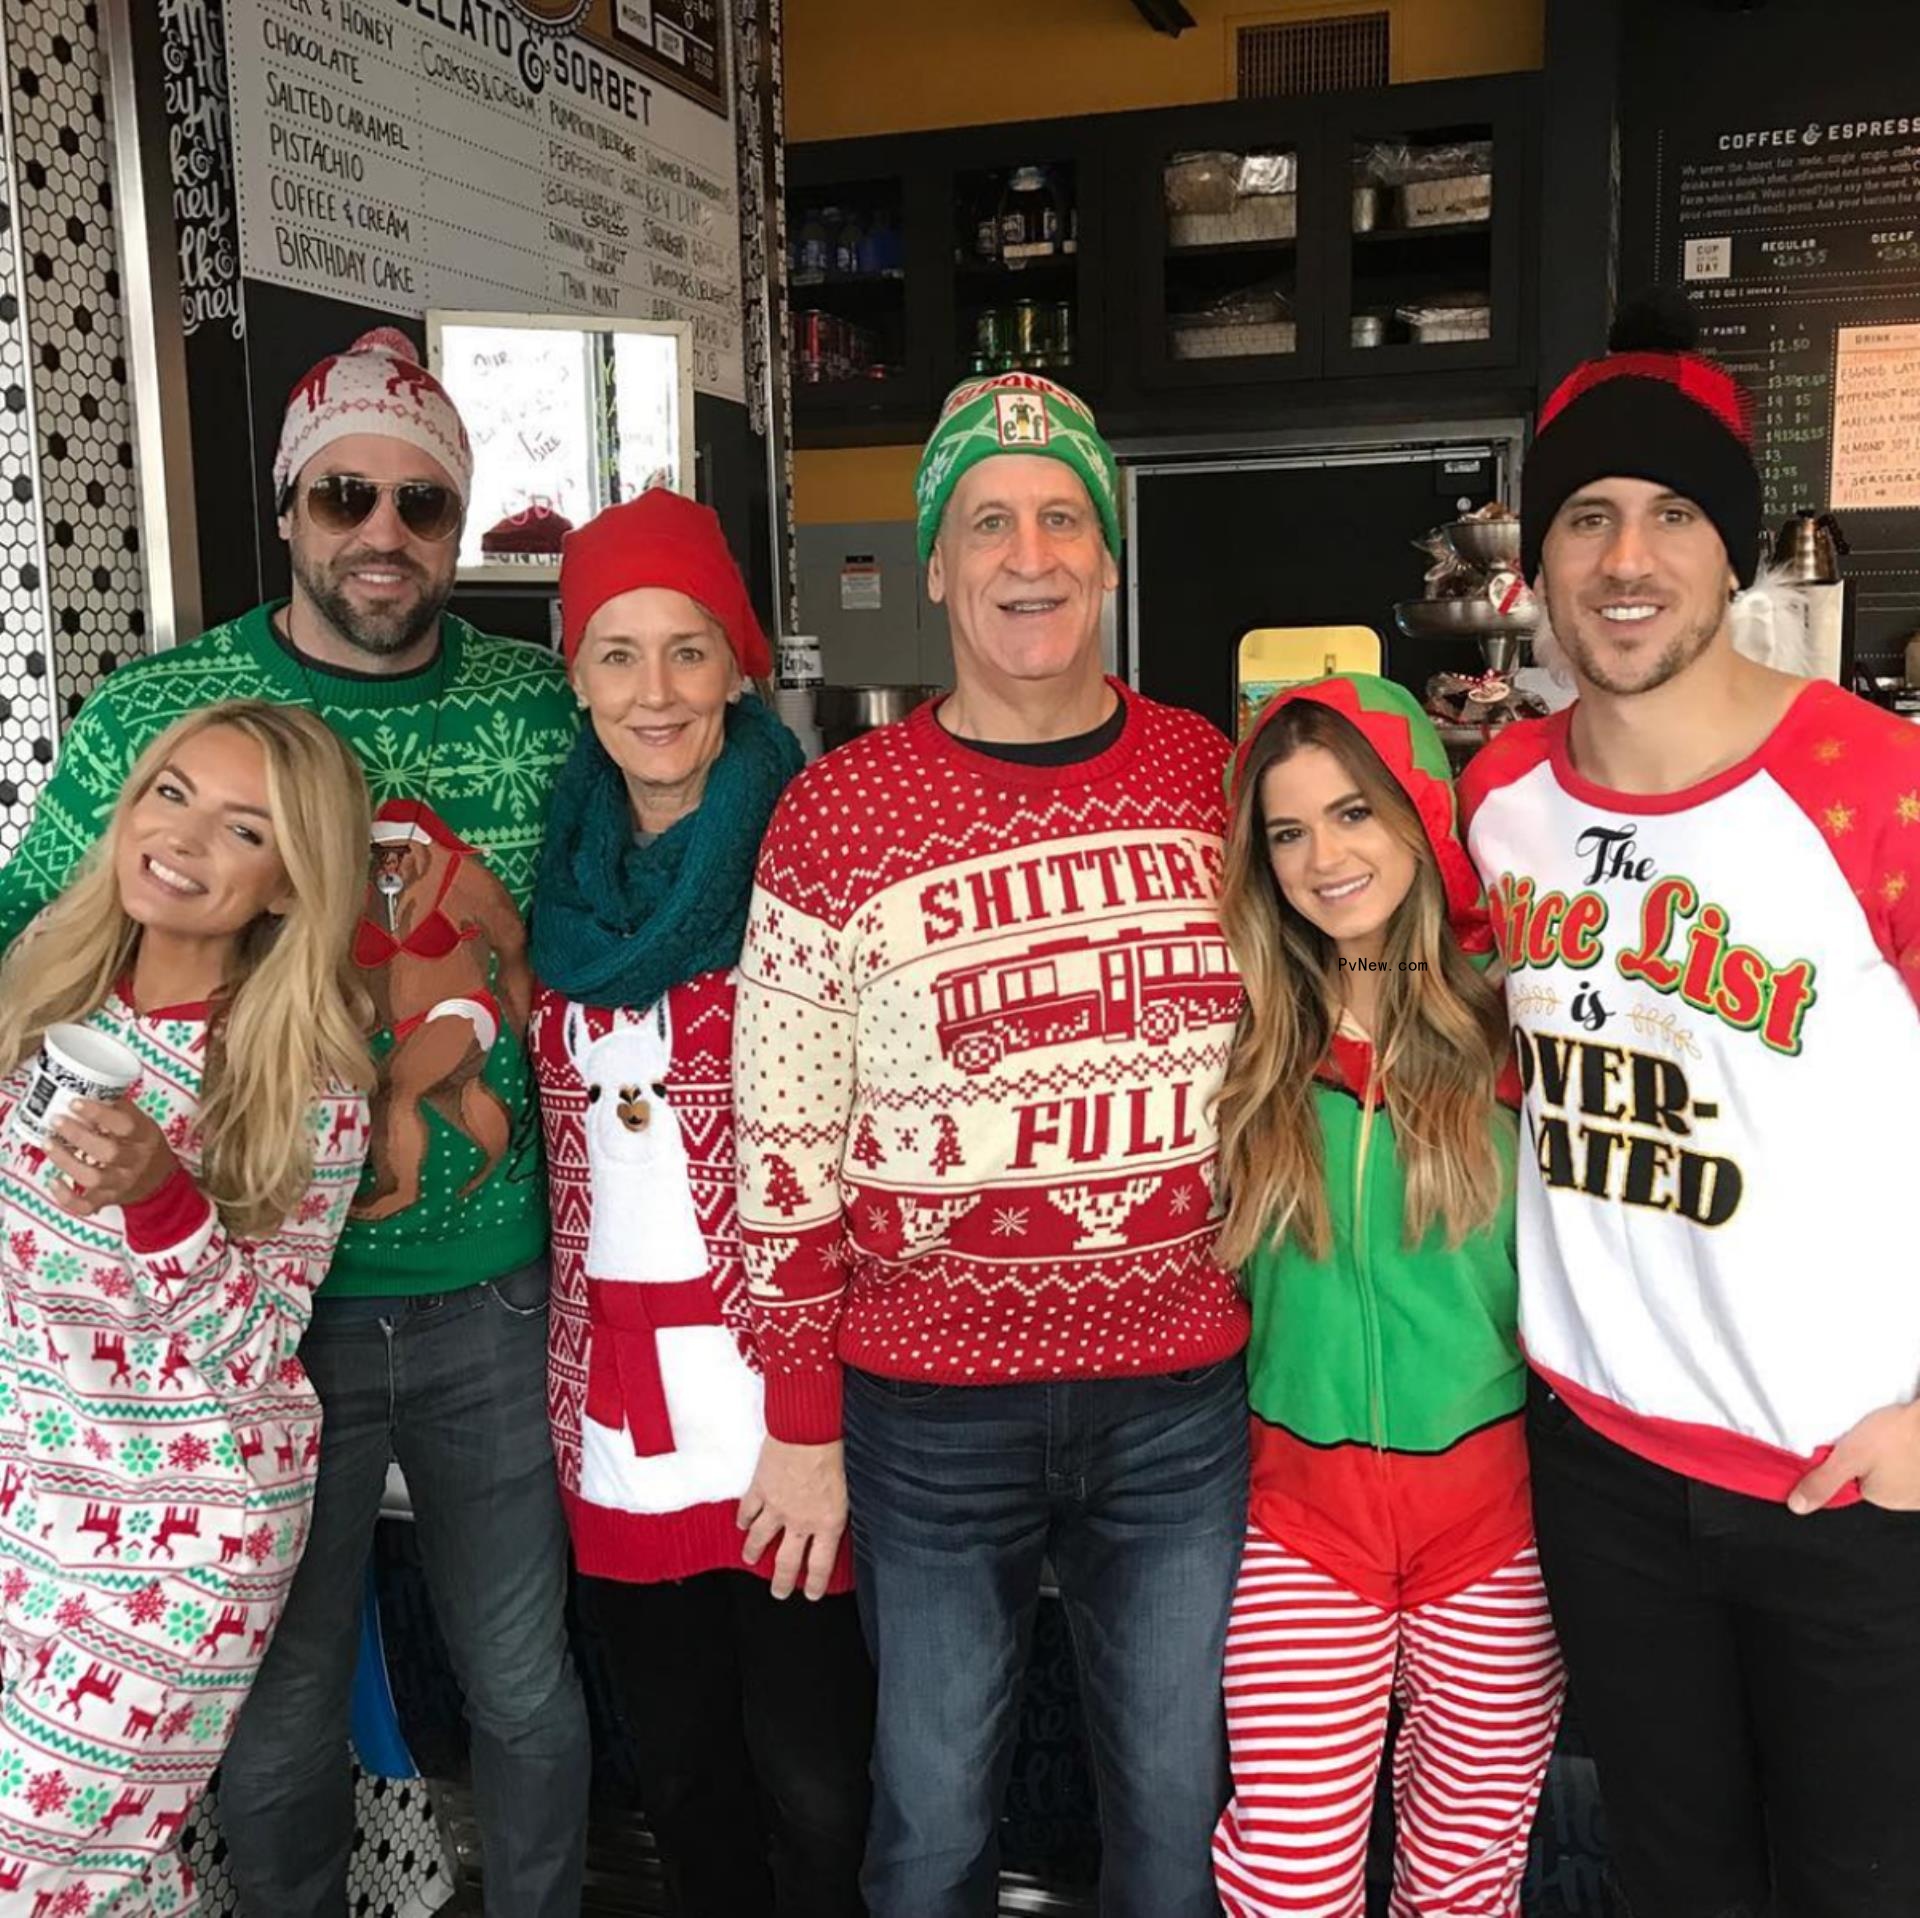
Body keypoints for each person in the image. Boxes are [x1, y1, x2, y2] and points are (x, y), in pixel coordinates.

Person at [0, 326, 590, 1917]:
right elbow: (25, 927)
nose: (381, 535)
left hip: (486, 1289)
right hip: (236, 1340)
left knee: (525, 1689)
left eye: (421, 504)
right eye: (345, 496)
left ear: (459, 527)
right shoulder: (161, 710)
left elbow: (685, 779)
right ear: (290, 508)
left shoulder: (545, 705)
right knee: (272, 1716)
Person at [733, 372, 1251, 1918]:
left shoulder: (1215, 779)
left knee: (1175, 1801)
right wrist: (800, 1414)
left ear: (1104, 556)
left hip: (1180, 1394)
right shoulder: (834, 815)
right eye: (988, 522)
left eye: (1059, 515)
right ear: (939, 566)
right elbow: (779, 1142)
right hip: (926, 1409)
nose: (1028, 551)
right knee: (935, 1812)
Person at [1459, 289, 1920, 1917]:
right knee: (1670, 1876)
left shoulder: (1876, 786)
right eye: (1587, 513)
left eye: (1670, 514)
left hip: (1850, 1485)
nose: (1626, 556)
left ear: (1733, 555)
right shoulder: (1496, 802)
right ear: (1541, 558)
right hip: (1605, 1466)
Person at [529, 488, 874, 1917]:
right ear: (577, 675)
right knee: (677, 1776)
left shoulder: (817, 849)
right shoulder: (545, 881)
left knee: (822, 1783)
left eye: (687, 649)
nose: (654, 689)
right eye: (617, 652)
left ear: (739, 666)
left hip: (781, 1408)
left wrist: (828, 1417)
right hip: (610, 1415)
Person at [0, 702, 373, 1915]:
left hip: (177, 1528)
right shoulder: (44, 995)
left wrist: (163, 1195)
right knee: (94, 1877)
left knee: (42, 1864)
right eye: (171, 792)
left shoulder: (304, 1071)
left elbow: (256, 1349)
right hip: (23, 1491)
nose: (185, 837)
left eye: (243, 827)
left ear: (286, 883)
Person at [1207, 675, 1563, 1918]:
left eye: (1353, 813)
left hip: (1491, 1530)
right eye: (1289, 830)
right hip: (1302, 1527)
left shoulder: (1518, 1030)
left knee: (1465, 1881)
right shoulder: (1246, 1043)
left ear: (1417, 815)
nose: (1323, 857)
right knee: (1287, 1881)